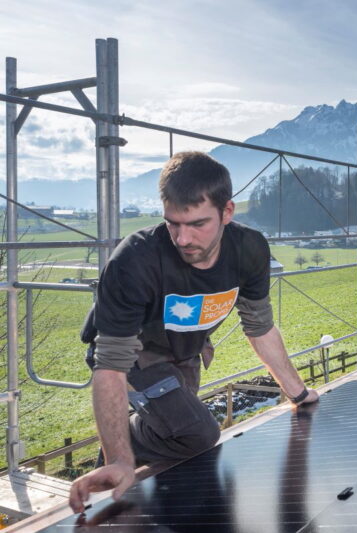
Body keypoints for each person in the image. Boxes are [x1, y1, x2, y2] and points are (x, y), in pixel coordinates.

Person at [69, 152, 318, 513]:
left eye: (197, 224)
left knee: (184, 440)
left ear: (227, 212)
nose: (183, 238)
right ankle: (126, 449)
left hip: (186, 353)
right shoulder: (135, 261)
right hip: (136, 354)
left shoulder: (249, 250)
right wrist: (123, 459)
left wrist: (298, 392)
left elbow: (260, 326)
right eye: (173, 224)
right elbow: (110, 365)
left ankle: (118, 469)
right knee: (198, 434)